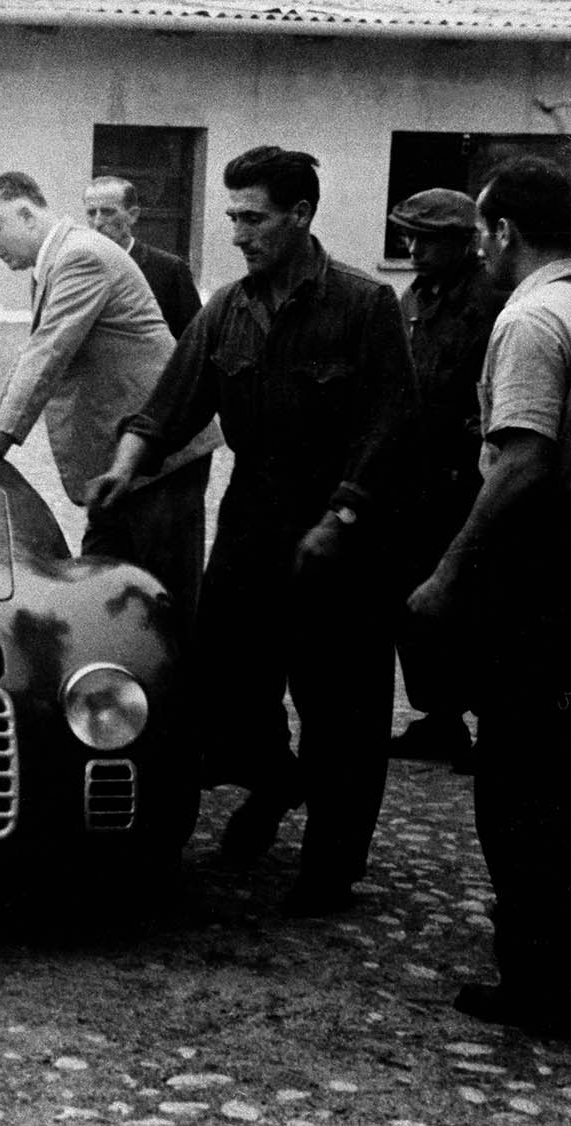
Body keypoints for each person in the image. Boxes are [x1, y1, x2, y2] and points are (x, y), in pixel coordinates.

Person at [88, 146, 415, 915]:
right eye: (232, 215)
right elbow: (171, 404)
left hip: (340, 533)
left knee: (341, 710)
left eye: (254, 217)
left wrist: (344, 514)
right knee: (227, 684)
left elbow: (392, 423)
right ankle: (274, 783)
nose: (238, 232)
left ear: (300, 216)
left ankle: (331, 868)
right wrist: (126, 467)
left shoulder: (364, 307)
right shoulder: (226, 308)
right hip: (251, 523)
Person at [407, 156, 571, 1038]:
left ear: (505, 233)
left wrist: (448, 571)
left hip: (540, 585)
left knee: (521, 783)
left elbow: (522, 460)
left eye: (482, 231)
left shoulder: (531, 318)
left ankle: (540, 977)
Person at [0, 171, 222, 635]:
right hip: (122, 461)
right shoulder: (57, 259)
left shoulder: (80, 255)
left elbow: (51, 349)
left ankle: (181, 702)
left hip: (158, 455)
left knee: (163, 595)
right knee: (103, 589)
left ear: (26, 215)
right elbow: (38, 352)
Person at [387, 189, 507, 772]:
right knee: (415, 601)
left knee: (473, 603)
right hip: (418, 477)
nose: (412, 248)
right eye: (407, 235)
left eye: (425, 238)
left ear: (464, 242)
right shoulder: (414, 296)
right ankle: (440, 719)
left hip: (469, 478)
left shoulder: (493, 300)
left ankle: (492, 726)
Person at [84, 175, 203, 338]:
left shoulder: (168, 269)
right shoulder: (82, 269)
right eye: (91, 213)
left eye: (108, 212)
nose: (97, 222)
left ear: (132, 215)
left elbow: (193, 338)